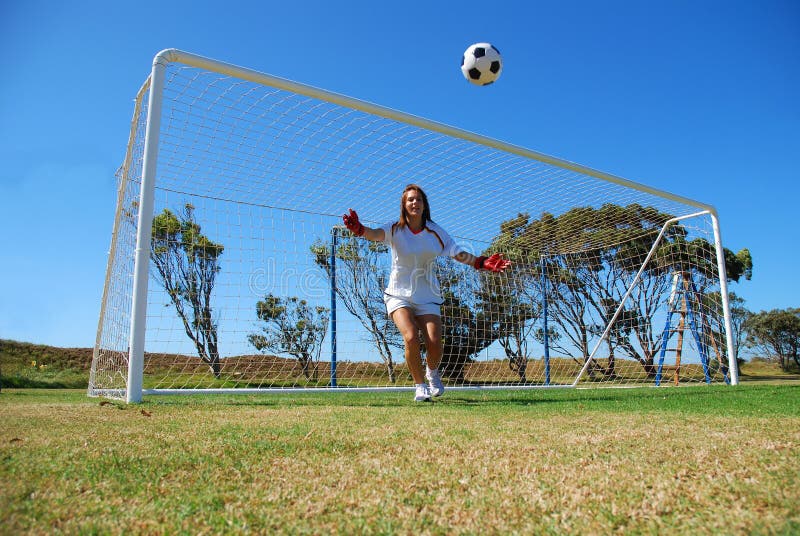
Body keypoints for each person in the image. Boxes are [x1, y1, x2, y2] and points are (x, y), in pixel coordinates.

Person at [342, 184, 511, 402]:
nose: (415, 203)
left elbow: (456, 253)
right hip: (398, 294)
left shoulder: (435, 231)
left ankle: (432, 373)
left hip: (427, 295)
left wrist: (480, 262)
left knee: (434, 342)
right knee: (411, 336)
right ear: (404, 204)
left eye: (418, 199)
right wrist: (360, 229)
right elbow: (375, 234)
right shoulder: (395, 228)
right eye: (410, 199)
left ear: (424, 205)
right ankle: (419, 385)